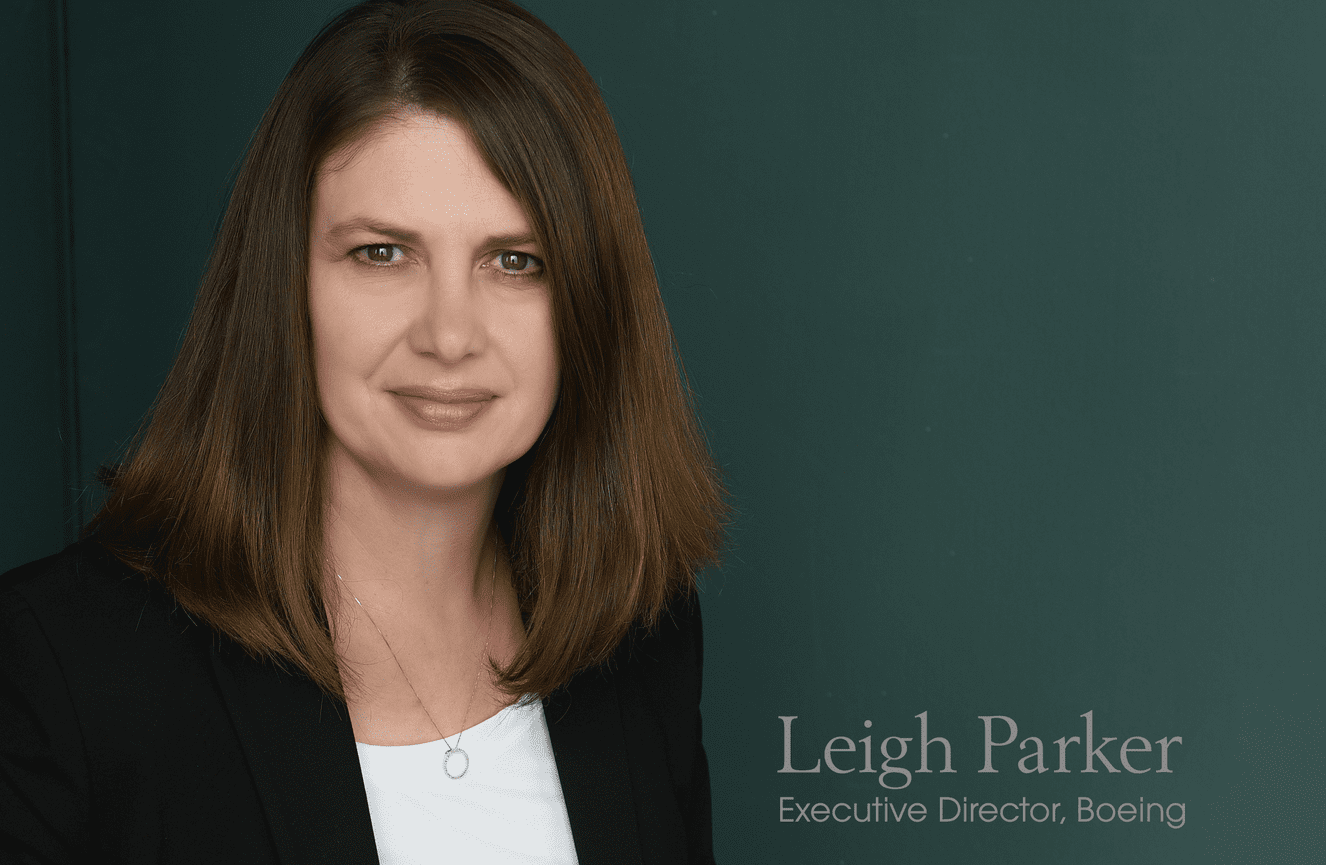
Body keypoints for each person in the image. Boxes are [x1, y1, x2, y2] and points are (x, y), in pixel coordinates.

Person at [0, 1, 726, 862]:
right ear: (286, 285)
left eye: (515, 261)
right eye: (383, 252)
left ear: (589, 306)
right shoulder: (60, 669)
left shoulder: (641, 632)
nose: (449, 334)